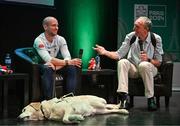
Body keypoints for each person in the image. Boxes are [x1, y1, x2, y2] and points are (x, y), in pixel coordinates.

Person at [93, 16, 164, 111]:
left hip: (150, 68)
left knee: (144, 65)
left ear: (146, 29)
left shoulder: (156, 39)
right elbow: (118, 55)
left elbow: (158, 62)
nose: (134, 28)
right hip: (134, 68)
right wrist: (105, 52)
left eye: (137, 26)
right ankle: (123, 99)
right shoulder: (131, 36)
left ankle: (151, 99)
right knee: (122, 62)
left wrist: (148, 59)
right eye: (134, 26)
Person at [33, 16, 82, 100]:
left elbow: (67, 57)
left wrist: (58, 66)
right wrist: (67, 62)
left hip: (55, 65)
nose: (56, 28)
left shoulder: (60, 39)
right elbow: (48, 60)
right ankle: (49, 100)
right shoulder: (39, 40)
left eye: (57, 25)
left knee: (71, 67)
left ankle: (69, 99)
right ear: (45, 27)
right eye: (53, 25)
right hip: (41, 65)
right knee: (48, 68)